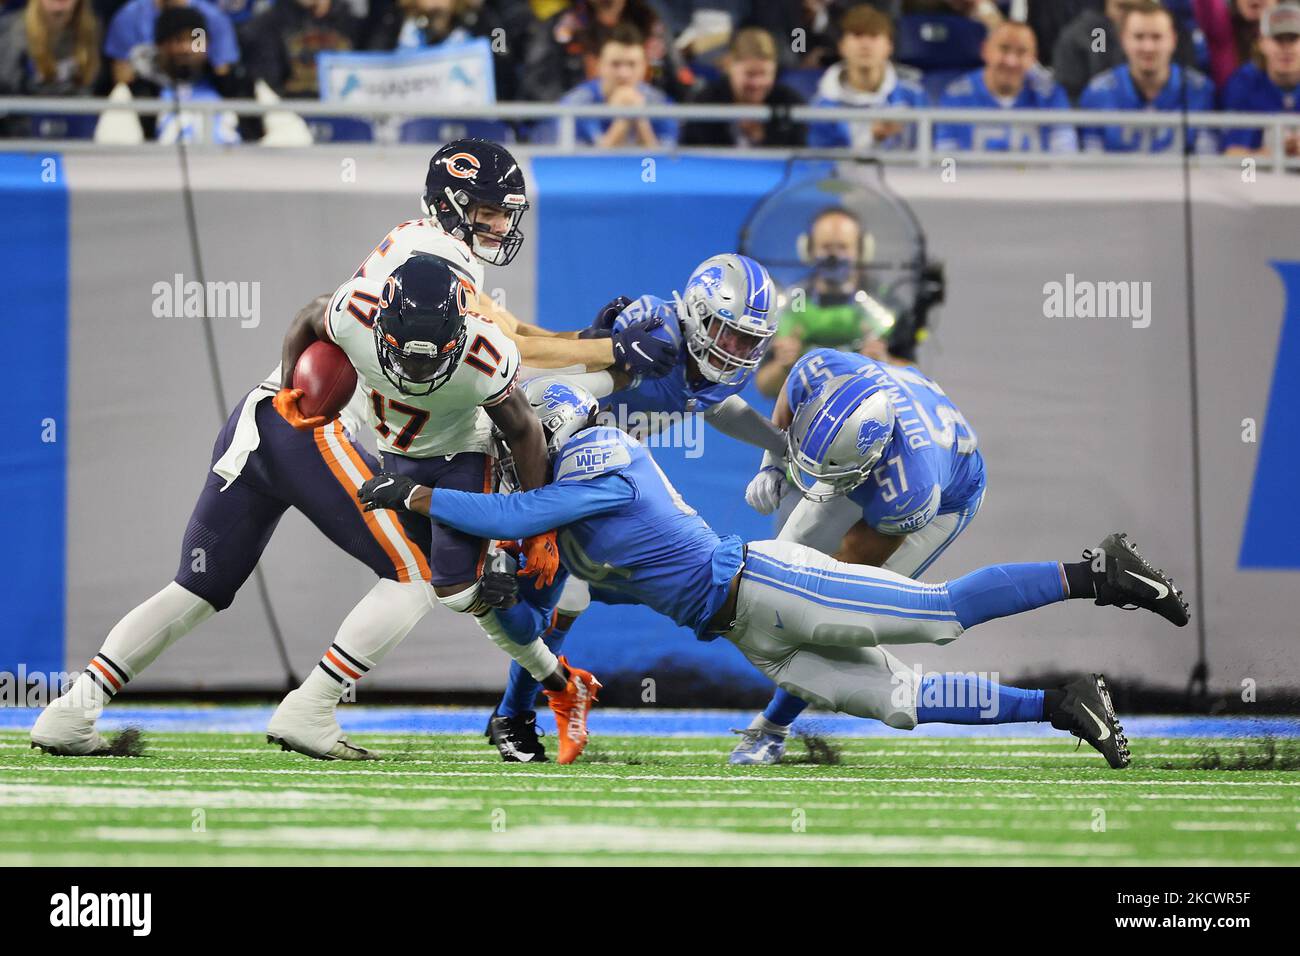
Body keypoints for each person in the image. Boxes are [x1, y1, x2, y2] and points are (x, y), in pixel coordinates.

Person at [29, 139, 672, 762]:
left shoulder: (411, 263)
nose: (502, 225)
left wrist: (284, 387)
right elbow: (501, 345)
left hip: (262, 415)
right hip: (312, 426)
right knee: (418, 576)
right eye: (490, 210)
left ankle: (71, 711)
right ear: (450, 205)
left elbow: (457, 331)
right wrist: (605, 353)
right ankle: (311, 708)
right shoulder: (438, 270)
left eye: (507, 212)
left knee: (198, 587)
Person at [358, 379, 1192, 771]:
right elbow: (555, 596)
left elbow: (508, 517)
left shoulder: (597, 463)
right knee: (896, 704)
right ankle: (1063, 704)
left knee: (937, 615)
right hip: (748, 633)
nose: (513, 461)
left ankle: (1099, 571)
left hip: (769, 585)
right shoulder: (574, 520)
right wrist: (508, 619)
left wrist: (417, 491)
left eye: (518, 445)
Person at [480, 254, 786, 760]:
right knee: (521, 594)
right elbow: (563, 374)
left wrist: (777, 444)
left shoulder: (709, 369)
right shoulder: (657, 333)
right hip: (541, 453)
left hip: (591, 478)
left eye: (747, 341)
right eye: (726, 333)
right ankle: (517, 710)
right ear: (696, 313)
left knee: (564, 598)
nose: (735, 351)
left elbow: (710, 403)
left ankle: (515, 712)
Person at [738, 349, 986, 762]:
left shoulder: (909, 491)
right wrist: (772, 464)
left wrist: (796, 614)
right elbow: (791, 394)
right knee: (784, 560)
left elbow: (843, 574)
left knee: (833, 615)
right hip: (876, 452)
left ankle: (771, 728)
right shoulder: (821, 369)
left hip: (944, 498)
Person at [755, 207, 895, 400]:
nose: (834, 256)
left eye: (843, 247)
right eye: (826, 247)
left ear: (862, 250)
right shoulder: (791, 306)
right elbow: (765, 385)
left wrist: (884, 365)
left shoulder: (884, 306)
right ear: (808, 250)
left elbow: (913, 373)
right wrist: (784, 366)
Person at [1079, 0, 1217, 154]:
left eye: (1156, 37)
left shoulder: (1200, 91)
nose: (1148, 47)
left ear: (1173, 40)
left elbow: (1207, 165)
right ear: (1123, 40)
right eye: (1139, 37)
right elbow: (1091, 169)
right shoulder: (1097, 93)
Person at [935, 19, 1078, 154]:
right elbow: (946, 166)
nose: (1011, 61)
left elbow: (1065, 161)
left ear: (1033, 58)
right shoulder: (957, 96)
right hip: (972, 180)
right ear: (985, 50)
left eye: (1021, 52)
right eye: (1004, 49)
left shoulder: (1050, 95)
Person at [807, 4, 928, 152]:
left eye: (874, 36)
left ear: (889, 46)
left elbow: (930, 154)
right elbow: (821, 164)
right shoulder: (822, 105)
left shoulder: (913, 96)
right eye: (857, 35)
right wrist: (872, 138)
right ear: (841, 46)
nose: (865, 44)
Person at [680, 26, 808, 147]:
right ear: (730, 67)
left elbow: (797, 159)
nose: (757, 83)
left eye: (764, 74)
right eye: (750, 74)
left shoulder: (790, 102)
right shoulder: (706, 102)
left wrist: (762, 137)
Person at [557, 23, 678, 147]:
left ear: (644, 67)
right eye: (615, 64)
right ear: (599, 65)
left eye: (632, 64)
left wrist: (640, 119)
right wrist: (622, 120)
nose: (624, 74)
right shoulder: (575, 105)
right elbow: (579, 163)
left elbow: (664, 162)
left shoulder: (660, 104)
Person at [1221, 1, 1300, 157]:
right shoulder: (1243, 84)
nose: (1286, 48)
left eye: (1293, 38)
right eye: (1278, 39)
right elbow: (1237, 166)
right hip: (1260, 179)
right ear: (1261, 43)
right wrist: (1268, 158)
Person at [238, 0, 361, 99]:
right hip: (291, 119)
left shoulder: (352, 23)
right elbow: (268, 90)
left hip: (347, 115)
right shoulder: (264, 27)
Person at [103, 0, 239, 85]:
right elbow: (122, 81)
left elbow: (223, 76)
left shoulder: (213, 18)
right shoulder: (129, 15)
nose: (185, 47)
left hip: (201, 94)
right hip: (148, 98)